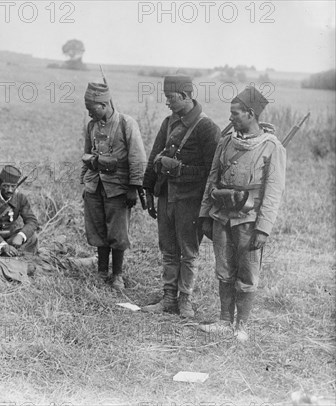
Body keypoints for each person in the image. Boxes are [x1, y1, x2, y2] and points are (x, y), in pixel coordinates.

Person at [198, 86, 286, 341]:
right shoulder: (226, 141)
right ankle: (225, 320)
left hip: (249, 219)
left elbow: (273, 193)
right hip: (221, 216)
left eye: (235, 113)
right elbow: (212, 179)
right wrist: (205, 215)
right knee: (224, 270)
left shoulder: (272, 147)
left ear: (250, 114)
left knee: (247, 274)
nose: (230, 118)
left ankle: (241, 326)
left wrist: (263, 228)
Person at [141, 75, 220, 317]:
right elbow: (155, 154)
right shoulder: (168, 123)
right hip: (167, 197)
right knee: (168, 249)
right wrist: (149, 189)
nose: (167, 103)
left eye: (170, 98)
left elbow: (212, 172)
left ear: (185, 97)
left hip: (190, 201)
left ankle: (185, 299)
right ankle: (168, 299)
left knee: (189, 251)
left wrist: (179, 169)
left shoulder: (207, 128)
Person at [80, 82, 147, 290]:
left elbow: (137, 157)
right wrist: (85, 180)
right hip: (95, 186)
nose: (90, 114)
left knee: (118, 232)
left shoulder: (127, 124)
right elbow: (86, 153)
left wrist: (133, 187)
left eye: (92, 109)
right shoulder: (92, 126)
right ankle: (101, 271)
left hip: (118, 187)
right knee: (98, 228)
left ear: (104, 104)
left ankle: (117, 274)